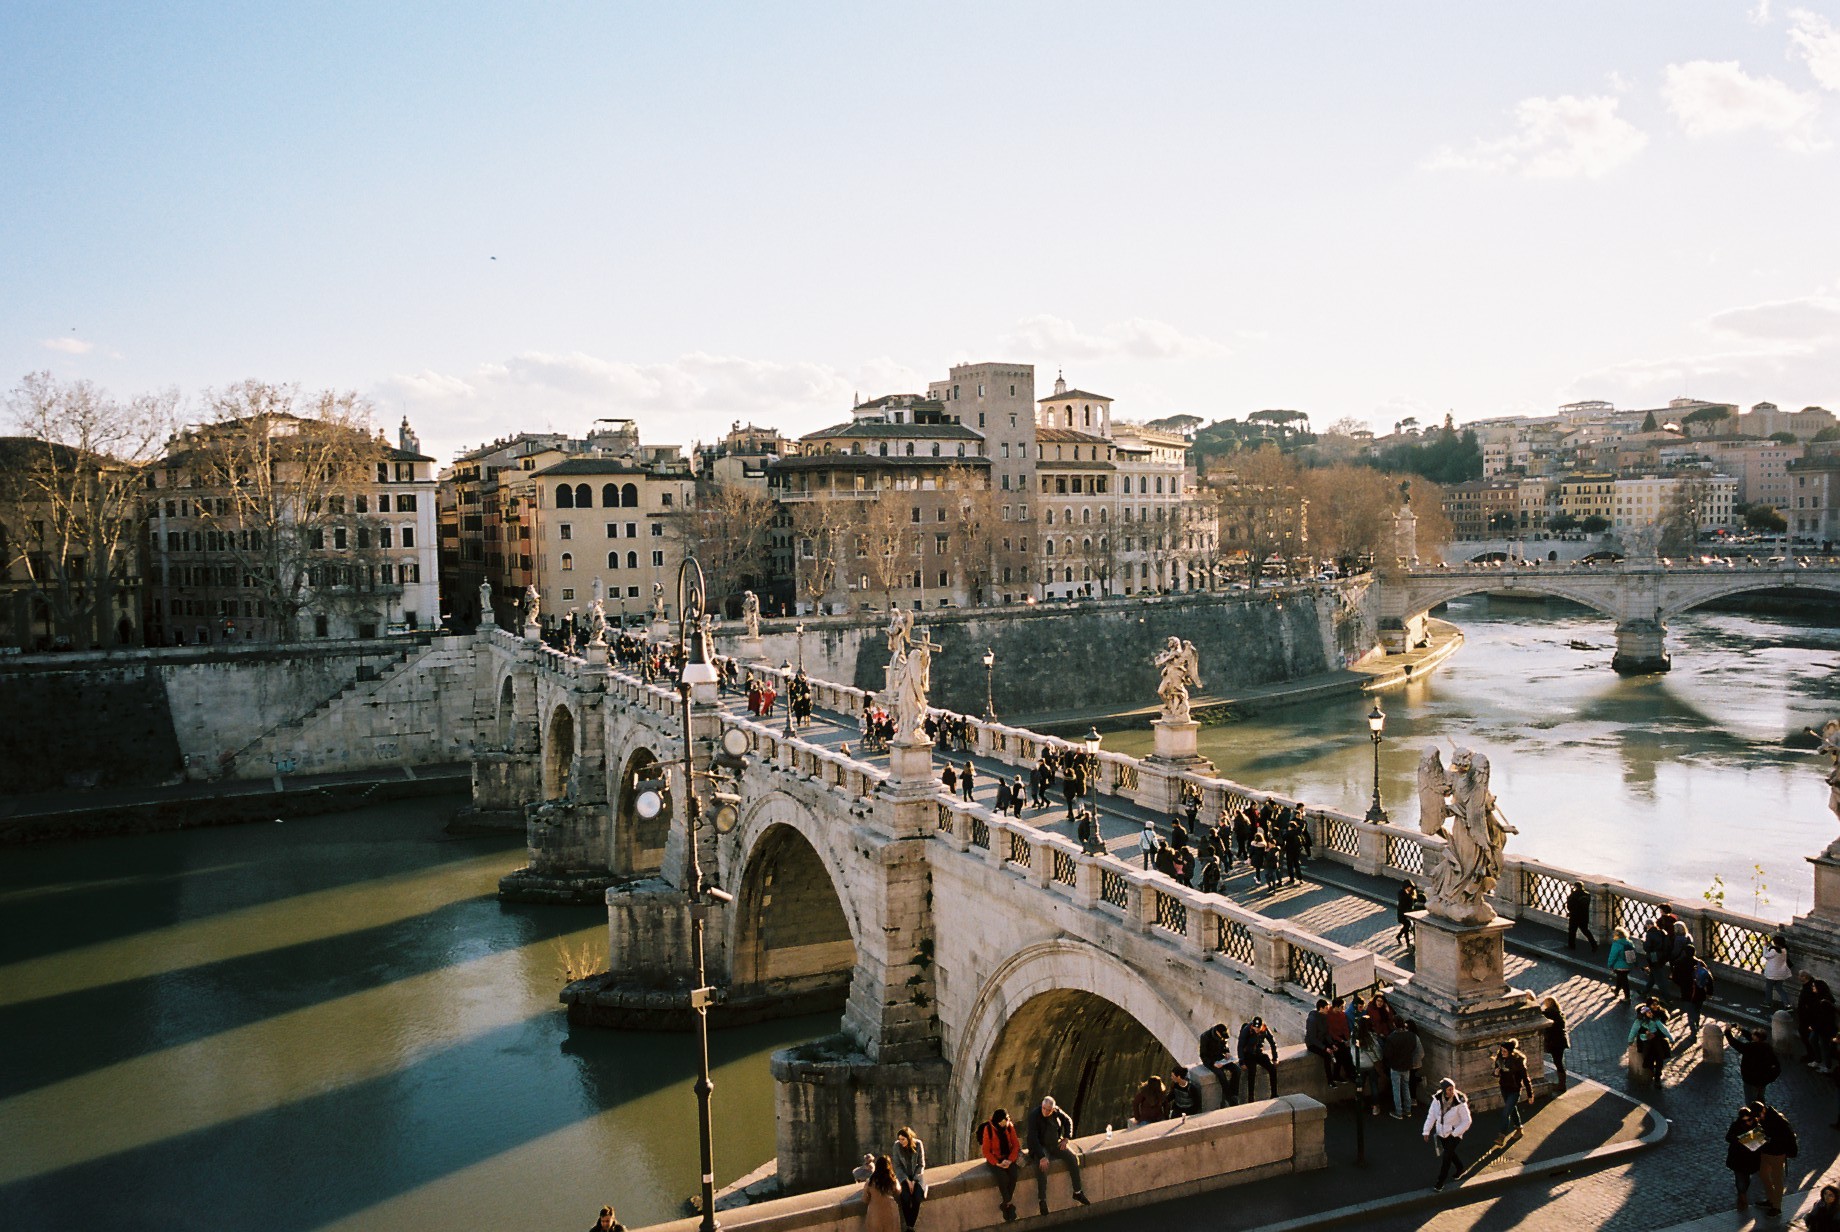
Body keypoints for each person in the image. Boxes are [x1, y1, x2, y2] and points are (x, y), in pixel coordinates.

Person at [1026, 1096, 1088, 1216]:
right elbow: (1033, 1138)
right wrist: (1041, 1156)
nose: (1045, 1111)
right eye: (1044, 1108)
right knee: (1043, 1167)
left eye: (1048, 1110)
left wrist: (1066, 1138)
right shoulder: (1034, 1115)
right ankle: (1042, 1200)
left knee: (1073, 1158)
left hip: (1055, 1143)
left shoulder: (1057, 1111)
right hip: (1041, 1146)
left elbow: (1068, 1121)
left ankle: (1077, 1192)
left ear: (1053, 1109)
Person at [1422, 1078, 1472, 1193]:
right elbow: (1431, 1116)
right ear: (1443, 1090)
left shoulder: (1460, 1102)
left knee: (1446, 1158)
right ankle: (1460, 1168)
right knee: (1450, 1153)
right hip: (1442, 1133)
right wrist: (1426, 1131)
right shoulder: (1437, 1100)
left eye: (1453, 1089)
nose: (1452, 1091)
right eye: (1449, 1089)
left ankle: (1440, 1182)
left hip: (1454, 1134)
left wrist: (1455, 1133)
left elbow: (1467, 1121)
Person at [1754, 1101, 1798, 1217]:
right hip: (1766, 1152)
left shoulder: (1778, 1121)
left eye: (1758, 1116)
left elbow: (1785, 1138)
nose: (1758, 1119)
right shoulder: (1764, 1118)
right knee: (1763, 1175)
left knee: (1777, 1180)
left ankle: (1776, 1207)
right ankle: (1771, 1199)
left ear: (1763, 1110)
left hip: (1777, 1155)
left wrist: (1767, 1139)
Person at [977, 1109, 1022, 1223]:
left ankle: (1006, 1204)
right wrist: (997, 1163)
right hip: (995, 1159)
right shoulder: (988, 1129)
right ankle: (1008, 1203)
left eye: (1007, 1119)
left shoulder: (1009, 1127)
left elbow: (1016, 1146)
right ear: (998, 1121)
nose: (1006, 1121)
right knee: (1003, 1178)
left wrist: (1010, 1160)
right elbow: (986, 1151)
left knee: (1013, 1175)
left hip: (1008, 1157)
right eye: (1004, 1120)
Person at [1727, 1025, 1782, 1105]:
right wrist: (1742, 1030)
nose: (1752, 1035)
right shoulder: (1767, 1048)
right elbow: (1776, 1065)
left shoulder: (1750, 1047)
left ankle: (1752, 1112)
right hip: (1762, 1080)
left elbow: (1735, 1043)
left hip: (1751, 1080)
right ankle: (1761, 1111)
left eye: (1753, 1035)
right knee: (1760, 1099)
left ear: (1756, 1037)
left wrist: (1727, 1032)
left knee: (1750, 1101)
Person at [1725, 1105, 1765, 1213]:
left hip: (1750, 1159)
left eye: (1749, 1119)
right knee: (1740, 1179)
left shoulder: (1756, 1125)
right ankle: (1742, 1198)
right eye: (1745, 1120)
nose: (1748, 1122)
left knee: (1746, 1179)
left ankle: (1741, 1196)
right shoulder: (1736, 1125)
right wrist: (1741, 1140)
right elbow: (1728, 1137)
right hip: (1738, 1158)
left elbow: (1762, 1139)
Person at [1493, 1040, 1534, 1136]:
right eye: (1501, 1050)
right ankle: (1519, 1128)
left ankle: (1502, 1135)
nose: (1502, 1053)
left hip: (1515, 1090)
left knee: (1506, 1113)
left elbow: (1526, 1079)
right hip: (1504, 1089)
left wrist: (1530, 1094)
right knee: (1512, 1109)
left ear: (1510, 1052)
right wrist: (1496, 1073)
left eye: (1505, 1051)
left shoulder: (1518, 1062)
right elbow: (1497, 1073)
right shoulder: (1500, 1060)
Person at [1381, 1020, 1419, 1118]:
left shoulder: (1392, 1038)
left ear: (1394, 1025)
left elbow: (1387, 1054)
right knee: (1406, 1087)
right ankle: (1408, 1110)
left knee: (1396, 1089)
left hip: (1395, 1066)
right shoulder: (1411, 1036)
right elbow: (1414, 1048)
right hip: (1407, 1065)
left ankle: (1399, 1111)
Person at [1628, 1005, 1675, 1085]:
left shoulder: (1655, 1020)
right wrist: (1630, 1040)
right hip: (1646, 1043)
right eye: (1648, 1012)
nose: (1650, 1013)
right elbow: (1633, 1031)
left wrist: (1671, 1038)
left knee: (1659, 1058)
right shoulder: (1639, 1022)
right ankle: (1652, 1071)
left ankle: (1657, 1076)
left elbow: (1663, 1029)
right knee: (1648, 1059)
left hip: (1656, 1041)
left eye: (1650, 1012)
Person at [893, 1127, 926, 1232]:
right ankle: (909, 1226)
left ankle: (910, 1226)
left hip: (917, 1176)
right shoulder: (897, 1146)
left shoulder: (918, 1144)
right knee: (905, 1198)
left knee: (917, 1198)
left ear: (909, 1138)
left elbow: (921, 1164)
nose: (901, 1141)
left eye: (903, 1139)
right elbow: (897, 1166)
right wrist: (907, 1180)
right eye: (899, 1139)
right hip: (903, 1177)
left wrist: (914, 1181)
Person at [1238, 1016, 1280, 1101]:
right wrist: (1241, 1061)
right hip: (1248, 1055)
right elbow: (1240, 1046)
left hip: (1259, 1053)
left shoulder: (1264, 1029)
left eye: (1258, 1028)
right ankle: (1251, 1098)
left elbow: (1272, 1043)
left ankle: (1274, 1094)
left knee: (1272, 1069)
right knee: (1252, 1071)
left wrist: (1275, 1058)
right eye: (1255, 1028)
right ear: (1252, 1026)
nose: (1256, 1030)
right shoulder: (1247, 1030)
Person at [1199, 1023, 1240, 1107]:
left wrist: (1227, 1052)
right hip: (1210, 1060)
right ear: (1217, 1032)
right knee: (1221, 1075)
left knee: (1237, 1070)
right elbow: (1203, 1055)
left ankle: (1234, 1094)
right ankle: (1229, 1098)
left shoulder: (1223, 1036)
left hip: (1220, 1057)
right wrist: (1213, 1063)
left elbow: (1225, 1045)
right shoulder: (1205, 1037)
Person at [861, 1155, 900, 1232]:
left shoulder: (870, 1181)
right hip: (890, 1211)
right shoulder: (892, 1180)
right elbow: (898, 1191)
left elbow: (864, 1199)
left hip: (875, 1214)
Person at [1541, 996, 1570, 1094]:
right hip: (1560, 1041)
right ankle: (1562, 1084)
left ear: (1549, 1003)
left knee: (1558, 1062)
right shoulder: (1558, 1012)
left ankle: (1562, 1085)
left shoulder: (1549, 1013)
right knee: (1559, 1062)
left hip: (1555, 1042)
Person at [1684, 956, 1715, 1035]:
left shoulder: (1687, 965)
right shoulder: (1702, 967)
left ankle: (1693, 1030)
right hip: (1701, 994)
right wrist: (1709, 993)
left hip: (1690, 994)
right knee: (1698, 1009)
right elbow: (1710, 981)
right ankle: (1697, 1023)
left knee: (1690, 1011)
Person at [1605, 926, 1637, 1001]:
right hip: (1628, 964)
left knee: (1624, 981)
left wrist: (1610, 964)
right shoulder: (1629, 942)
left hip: (1619, 966)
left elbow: (1613, 956)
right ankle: (1616, 990)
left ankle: (1627, 997)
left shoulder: (1616, 944)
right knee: (1620, 977)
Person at [1565, 882, 1597, 952]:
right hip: (1584, 916)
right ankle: (1594, 944)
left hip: (1575, 916)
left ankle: (1571, 946)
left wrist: (1570, 912)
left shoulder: (1574, 894)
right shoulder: (1587, 895)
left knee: (1572, 931)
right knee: (1585, 931)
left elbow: (1570, 906)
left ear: (1576, 886)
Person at [1763, 936, 1792, 1010]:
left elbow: (1765, 955)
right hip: (1781, 974)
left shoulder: (1774, 951)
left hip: (1772, 973)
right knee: (1780, 989)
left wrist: (1765, 946)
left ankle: (1768, 1002)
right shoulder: (1784, 950)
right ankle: (1787, 1004)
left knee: (1769, 988)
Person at [1395, 881, 1419, 948]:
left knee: (1406, 926)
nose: (1409, 888)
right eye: (1408, 887)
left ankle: (1399, 937)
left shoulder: (1412, 892)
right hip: (1402, 913)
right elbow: (1402, 901)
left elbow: (1414, 901)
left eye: (1410, 887)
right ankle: (1407, 942)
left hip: (1408, 913)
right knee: (1407, 925)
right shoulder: (1401, 892)